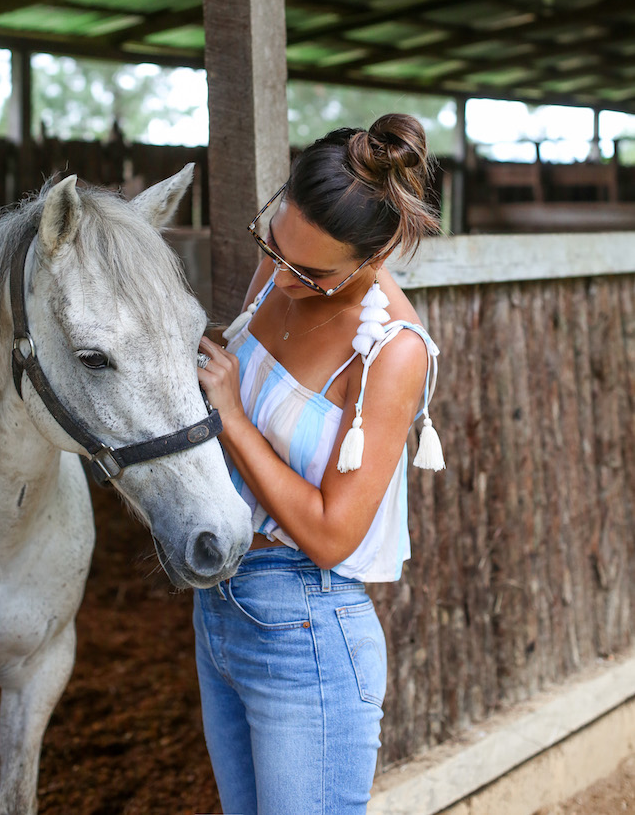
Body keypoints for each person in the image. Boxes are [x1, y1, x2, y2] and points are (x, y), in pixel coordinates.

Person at [195, 113, 443, 815]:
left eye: (313, 272)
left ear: (378, 253)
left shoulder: (393, 352)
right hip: (219, 601)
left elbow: (336, 534)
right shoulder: (283, 266)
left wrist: (234, 419)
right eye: (274, 247)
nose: (281, 276)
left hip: (305, 625)